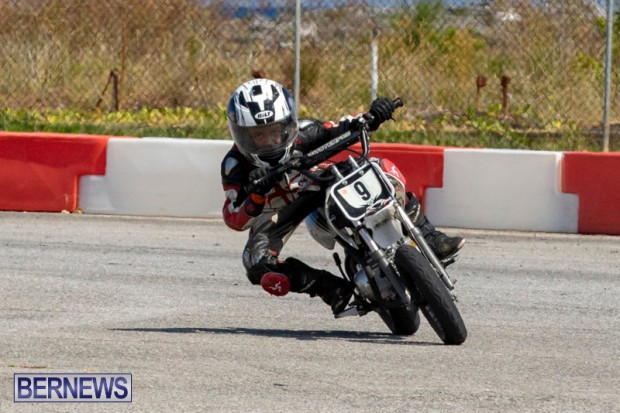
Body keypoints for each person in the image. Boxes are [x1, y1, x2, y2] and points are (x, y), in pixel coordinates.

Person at [220, 78, 464, 316]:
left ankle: (429, 236)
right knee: (255, 262)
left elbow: (343, 126)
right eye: (258, 136)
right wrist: (257, 195)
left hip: (320, 183)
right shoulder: (234, 166)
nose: (268, 141)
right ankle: (329, 288)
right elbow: (233, 219)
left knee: (377, 169)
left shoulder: (306, 131)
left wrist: (373, 116)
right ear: (242, 135)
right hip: (278, 210)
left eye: (275, 132)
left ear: (287, 124)